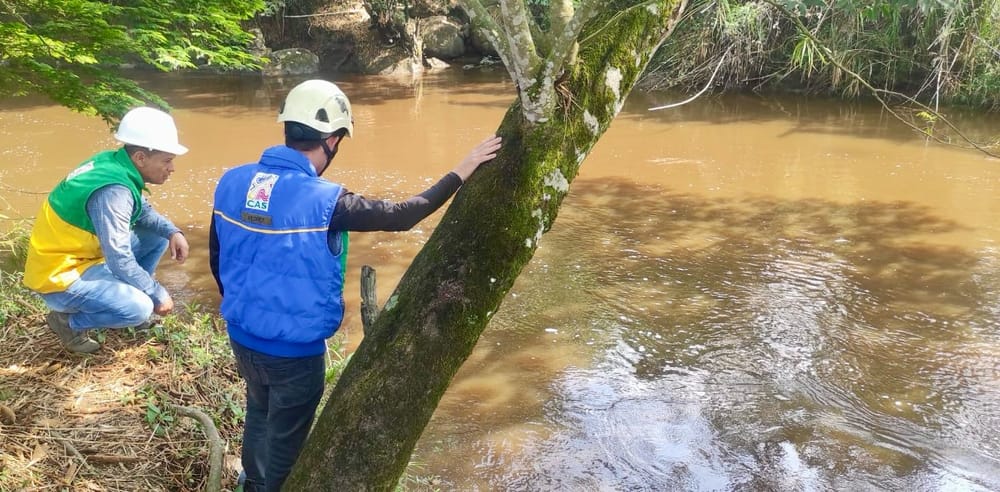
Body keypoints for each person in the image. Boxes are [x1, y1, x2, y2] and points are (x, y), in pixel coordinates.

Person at [209, 79, 501, 492]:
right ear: (331, 140)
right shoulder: (327, 201)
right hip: (294, 354)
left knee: (260, 408)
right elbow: (402, 215)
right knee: (287, 439)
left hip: (241, 336)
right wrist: (462, 169)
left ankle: (251, 480)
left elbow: (218, 260)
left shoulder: (231, 182)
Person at [23, 107, 190, 354]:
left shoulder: (113, 163)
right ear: (141, 158)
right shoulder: (114, 191)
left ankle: (122, 298)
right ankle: (68, 323)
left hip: (78, 255)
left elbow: (142, 211)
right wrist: (156, 293)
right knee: (140, 308)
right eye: (167, 160)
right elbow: (119, 257)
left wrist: (173, 231)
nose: (172, 168)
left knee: (156, 236)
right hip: (59, 276)